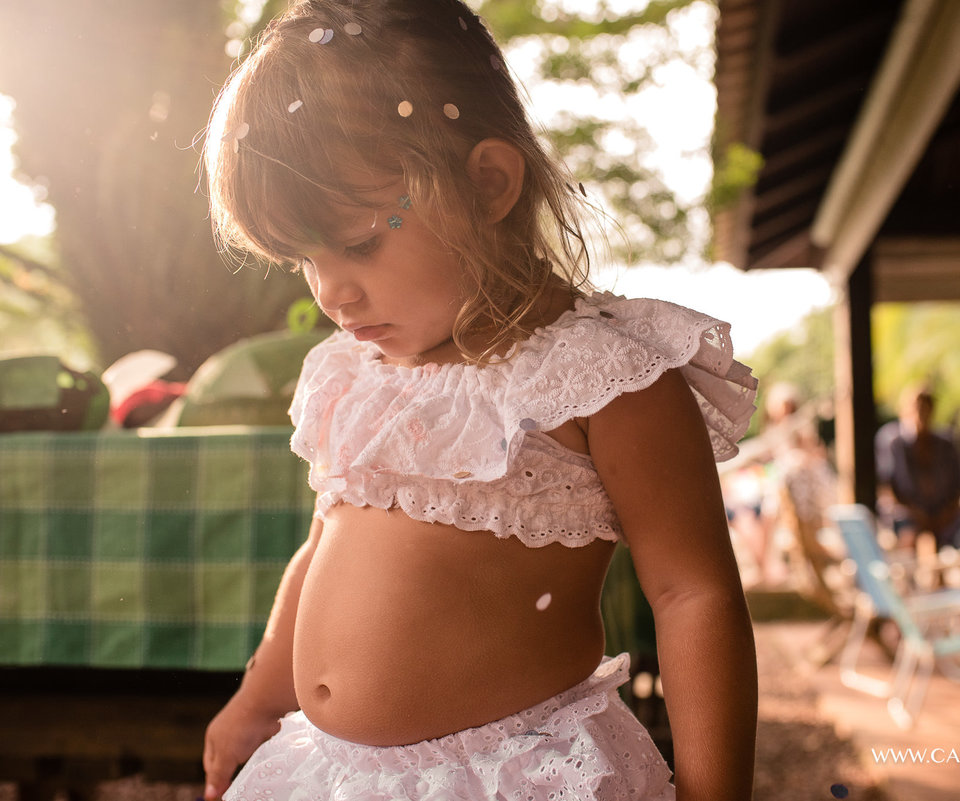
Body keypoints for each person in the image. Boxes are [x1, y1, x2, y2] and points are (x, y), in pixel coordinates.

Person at [198, 2, 759, 800]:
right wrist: (258, 697)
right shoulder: (355, 372)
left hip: (508, 776)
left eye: (358, 242)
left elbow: (693, 592)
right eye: (303, 259)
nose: (332, 292)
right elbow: (326, 541)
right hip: (328, 774)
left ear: (489, 184)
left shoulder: (601, 378)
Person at [874, 383, 960, 551]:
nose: (920, 415)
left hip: (944, 516)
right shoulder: (893, 442)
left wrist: (944, 516)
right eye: (916, 409)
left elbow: (959, 487)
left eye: (926, 409)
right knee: (910, 533)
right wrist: (917, 515)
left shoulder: (946, 444)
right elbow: (887, 487)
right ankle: (913, 573)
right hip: (905, 514)